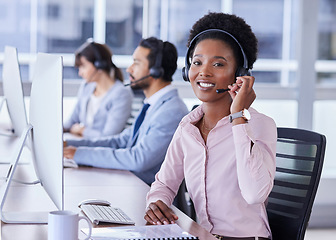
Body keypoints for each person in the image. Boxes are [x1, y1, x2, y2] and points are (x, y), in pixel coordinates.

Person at [144, 12, 277, 240]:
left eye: (218, 64)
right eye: (197, 62)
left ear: (240, 75)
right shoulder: (187, 127)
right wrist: (156, 204)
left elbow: (255, 194)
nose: (204, 72)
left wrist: (238, 117)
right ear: (187, 71)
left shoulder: (260, 124)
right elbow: (164, 183)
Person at [63, 37, 189, 185]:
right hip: (130, 183)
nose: (129, 69)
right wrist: (71, 144)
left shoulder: (171, 111)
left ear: (156, 70)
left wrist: (80, 154)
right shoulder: (153, 105)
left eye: (136, 63)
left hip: (147, 195)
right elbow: (121, 141)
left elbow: (138, 158)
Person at [63, 40, 133, 138]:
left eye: (83, 67)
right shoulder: (87, 87)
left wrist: (82, 130)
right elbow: (72, 121)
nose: (80, 73)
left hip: (100, 150)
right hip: (82, 144)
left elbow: (108, 136)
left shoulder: (121, 94)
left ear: (99, 65)